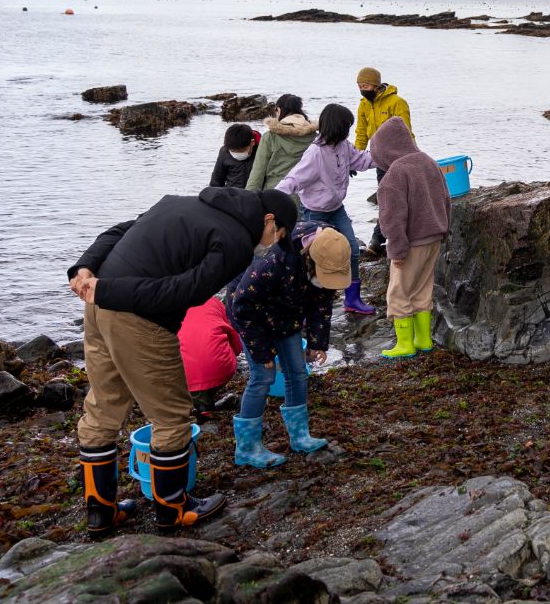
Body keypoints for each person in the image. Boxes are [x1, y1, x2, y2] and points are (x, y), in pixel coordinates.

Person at [68, 186, 297, 536]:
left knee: (103, 407)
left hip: (96, 309)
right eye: (277, 235)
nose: (271, 244)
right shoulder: (236, 242)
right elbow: (184, 292)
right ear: (268, 220)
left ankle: (101, 513)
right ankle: (173, 509)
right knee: (172, 417)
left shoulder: (183, 202)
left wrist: (84, 269)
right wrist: (107, 290)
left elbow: (118, 231)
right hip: (136, 317)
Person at [226, 223, 350, 466]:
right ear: (310, 259)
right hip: (252, 317)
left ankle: (300, 436)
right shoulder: (273, 264)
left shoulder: (333, 248)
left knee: (298, 372)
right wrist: (262, 351)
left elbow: (322, 301)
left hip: (287, 315)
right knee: (263, 376)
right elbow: (242, 307)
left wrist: (317, 342)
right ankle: (247, 449)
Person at [276, 104, 378, 315]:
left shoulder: (343, 146)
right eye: (347, 125)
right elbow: (295, 178)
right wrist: (273, 198)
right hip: (314, 212)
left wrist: (388, 155)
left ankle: (352, 298)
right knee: (313, 260)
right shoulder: (315, 153)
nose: (349, 129)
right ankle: (307, 303)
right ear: (337, 126)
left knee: (351, 248)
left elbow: (361, 160)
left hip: (336, 208)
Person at [369, 117, 452, 359]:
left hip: (411, 243)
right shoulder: (428, 161)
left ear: (385, 149)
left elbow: (392, 220)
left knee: (398, 293)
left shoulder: (394, 175)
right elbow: (446, 199)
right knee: (422, 289)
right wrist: (444, 230)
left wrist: (396, 251)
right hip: (434, 237)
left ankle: (405, 344)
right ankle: (423, 339)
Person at [354, 67, 413, 261]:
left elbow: (406, 132)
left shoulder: (397, 103)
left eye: (366, 85)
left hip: (399, 158)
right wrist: (354, 159)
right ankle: (379, 238)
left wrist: (411, 157)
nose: (363, 89)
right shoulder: (363, 105)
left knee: (398, 199)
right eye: (359, 86)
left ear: (377, 85)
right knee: (386, 198)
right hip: (379, 159)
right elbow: (361, 133)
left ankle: (378, 239)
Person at [177, 297, 240, 416]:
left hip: (184, 375)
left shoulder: (166, 305)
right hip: (220, 369)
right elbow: (235, 337)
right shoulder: (213, 301)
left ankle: (202, 406)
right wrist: (232, 355)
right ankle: (206, 403)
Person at [247, 95, 318, 193]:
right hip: (307, 198)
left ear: (279, 110)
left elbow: (258, 172)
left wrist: (249, 198)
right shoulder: (315, 137)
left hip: (275, 196)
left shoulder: (270, 137)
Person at [209, 124, 260, 189]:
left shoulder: (262, 151)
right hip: (231, 193)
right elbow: (217, 180)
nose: (237, 154)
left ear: (252, 143)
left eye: (241, 150)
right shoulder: (224, 151)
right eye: (233, 151)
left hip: (254, 194)